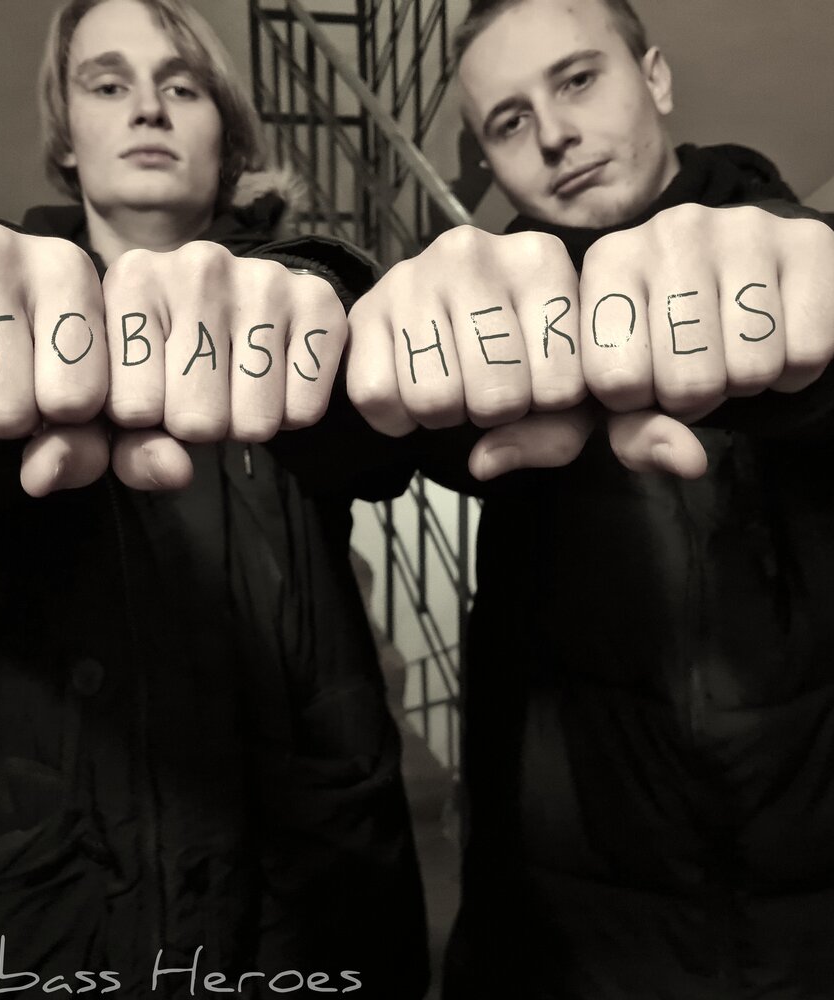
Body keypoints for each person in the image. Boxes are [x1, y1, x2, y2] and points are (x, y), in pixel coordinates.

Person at [0, 1, 428, 996]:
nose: (147, 107)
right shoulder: (0, 308)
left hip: (297, 899)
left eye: (182, 85)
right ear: (66, 133)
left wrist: (319, 294)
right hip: (42, 899)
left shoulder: (305, 309)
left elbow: (371, 426)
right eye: (108, 83)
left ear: (228, 138)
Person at [345, 0, 834, 996]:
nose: (554, 135)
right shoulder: (496, 324)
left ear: (655, 78)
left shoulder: (793, 254)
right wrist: (352, 315)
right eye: (509, 121)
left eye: (576, 80)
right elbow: (399, 424)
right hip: (561, 929)